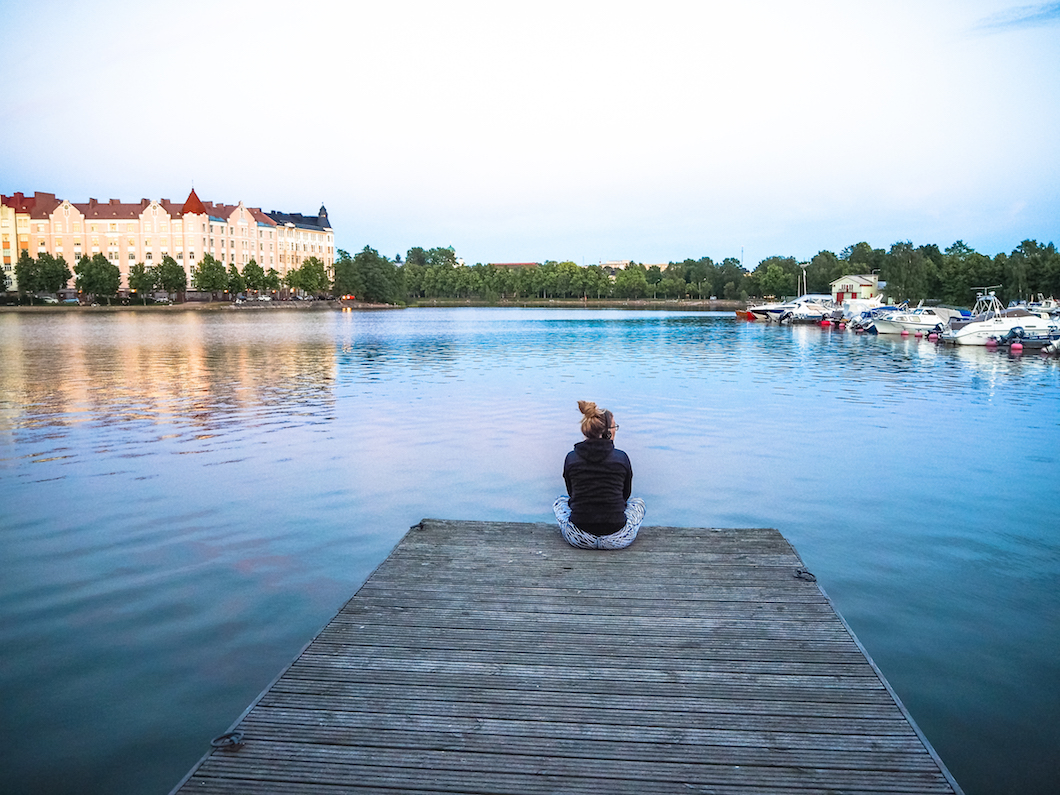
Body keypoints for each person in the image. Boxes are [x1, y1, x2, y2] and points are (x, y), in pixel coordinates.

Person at [553, 400, 646, 549]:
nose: (616, 429)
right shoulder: (621, 458)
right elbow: (625, 496)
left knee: (560, 501)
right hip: (617, 538)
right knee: (638, 503)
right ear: (607, 432)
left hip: (579, 537)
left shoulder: (571, 458)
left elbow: (571, 494)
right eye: (615, 426)